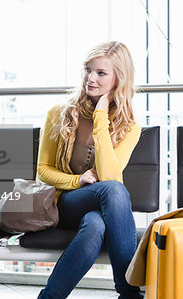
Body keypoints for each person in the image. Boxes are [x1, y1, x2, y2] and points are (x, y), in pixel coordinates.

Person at [37, 41, 142, 299]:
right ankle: (129, 294)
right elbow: (43, 170)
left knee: (95, 224)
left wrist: (101, 116)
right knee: (115, 190)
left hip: (100, 209)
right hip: (64, 201)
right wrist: (77, 180)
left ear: (119, 80)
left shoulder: (130, 128)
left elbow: (106, 174)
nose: (90, 78)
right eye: (88, 70)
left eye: (101, 73)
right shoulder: (59, 114)